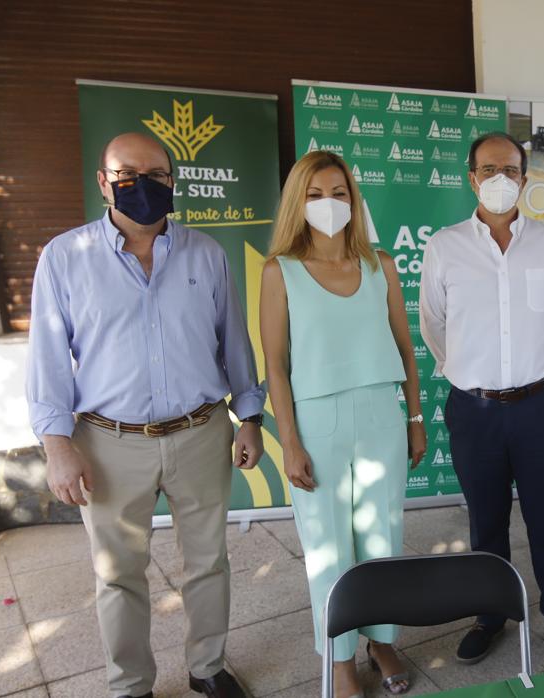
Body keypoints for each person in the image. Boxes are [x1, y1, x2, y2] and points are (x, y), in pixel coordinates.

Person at [26, 132, 263, 698]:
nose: (144, 185)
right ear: (104, 182)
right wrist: (57, 445)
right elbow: (48, 358)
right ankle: (130, 685)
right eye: (128, 174)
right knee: (118, 574)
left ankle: (208, 667)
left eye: (156, 175)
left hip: (200, 432)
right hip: (107, 443)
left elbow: (234, 342)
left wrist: (248, 415)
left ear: (173, 182)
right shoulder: (65, 257)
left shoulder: (206, 254)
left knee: (208, 562)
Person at [420, 132, 544, 664]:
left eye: (512, 170)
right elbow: (434, 323)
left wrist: (530, 368)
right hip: (473, 409)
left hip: (538, 405)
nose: (501, 179)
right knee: (486, 522)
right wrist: (470, 373)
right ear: (471, 177)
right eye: (490, 169)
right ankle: (489, 615)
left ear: (526, 178)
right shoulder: (445, 245)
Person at [259, 151, 426, 697]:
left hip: (382, 412)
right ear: (296, 203)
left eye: (337, 192)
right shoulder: (279, 271)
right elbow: (276, 367)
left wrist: (417, 418)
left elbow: (405, 348)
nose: (327, 204)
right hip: (317, 420)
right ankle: (338, 660)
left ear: (353, 200)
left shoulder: (381, 263)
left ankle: (381, 641)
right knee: (329, 548)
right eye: (313, 194)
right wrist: (288, 442)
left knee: (382, 540)